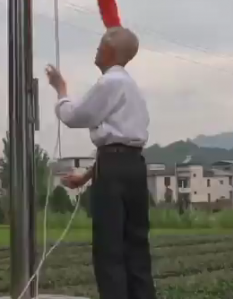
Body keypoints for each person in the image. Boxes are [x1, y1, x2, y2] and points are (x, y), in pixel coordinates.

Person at [45, 26, 156, 299]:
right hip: (134, 167)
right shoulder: (133, 89)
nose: (96, 50)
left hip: (114, 169)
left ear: (108, 50)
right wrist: (85, 177)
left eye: (99, 45)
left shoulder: (110, 83)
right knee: (136, 247)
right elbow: (120, 146)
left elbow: (74, 116)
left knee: (109, 249)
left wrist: (61, 90)